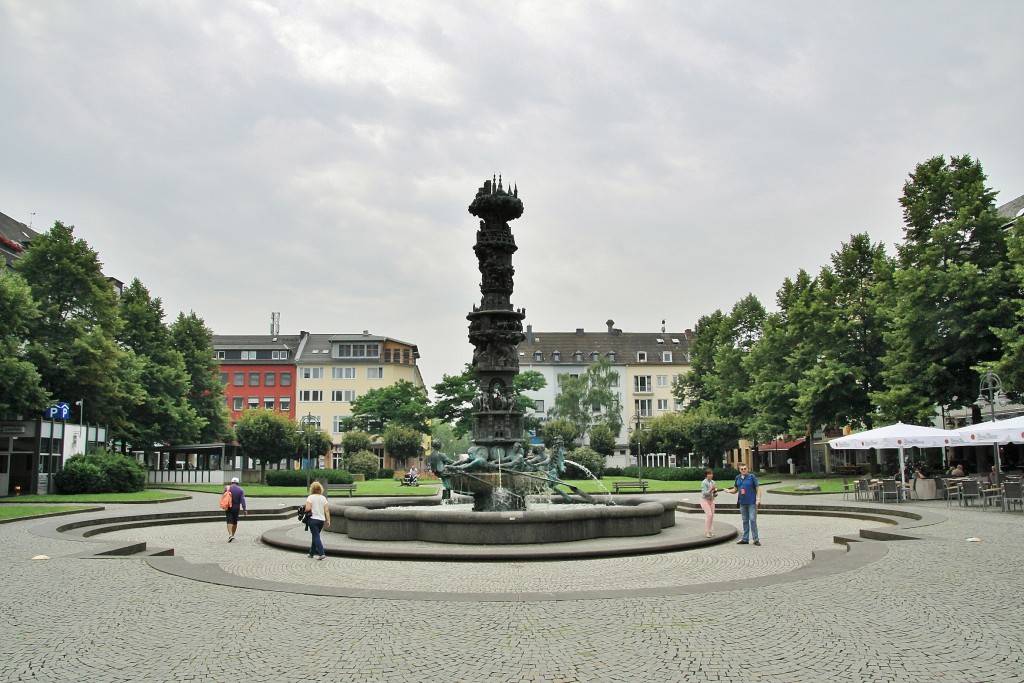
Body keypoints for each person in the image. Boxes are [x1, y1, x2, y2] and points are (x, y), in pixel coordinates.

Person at [724, 464, 761, 546]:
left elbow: (758, 489)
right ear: (739, 470)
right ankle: (745, 538)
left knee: (752, 520)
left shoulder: (752, 477)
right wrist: (729, 491)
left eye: (745, 468)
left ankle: (756, 539)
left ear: (747, 469)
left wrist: (758, 499)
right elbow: (735, 489)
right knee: (745, 521)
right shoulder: (737, 478)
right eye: (742, 469)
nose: (744, 470)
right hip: (742, 502)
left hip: (751, 502)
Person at [304, 480, 330, 560]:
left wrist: (306, 509)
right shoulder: (323, 498)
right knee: (315, 536)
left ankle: (322, 553)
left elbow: (308, 508)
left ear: (312, 489)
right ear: (320, 489)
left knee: (316, 537)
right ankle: (311, 553)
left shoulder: (310, 497)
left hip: (313, 520)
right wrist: (328, 520)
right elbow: (326, 510)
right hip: (321, 520)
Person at [225, 476, 247, 542]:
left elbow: (223, 497)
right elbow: (242, 500)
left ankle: (230, 534)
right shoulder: (240, 490)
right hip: (236, 507)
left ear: (231, 482)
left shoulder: (227, 488)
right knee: (235, 522)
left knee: (229, 521)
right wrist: (244, 509)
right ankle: (233, 535)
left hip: (228, 506)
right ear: (238, 483)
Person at [700, 469, 718, 538]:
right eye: (709, 474)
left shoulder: (713, 482)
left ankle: (710, 531)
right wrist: (711, 489)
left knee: (712, 515)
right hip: (704, 500)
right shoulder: (704, 483)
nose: (711, 475)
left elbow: (714, 493)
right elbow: (704, 493)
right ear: (706, 475)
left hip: (711, 500)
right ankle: (707, 532)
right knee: (709, 515)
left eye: (711, 474)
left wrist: (715, 493)